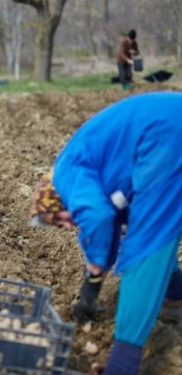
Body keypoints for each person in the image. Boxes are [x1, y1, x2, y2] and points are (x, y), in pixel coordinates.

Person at [30, 91, 182, 375]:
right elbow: (109, 221)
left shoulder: (65, 175)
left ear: (57, 199)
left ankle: (121, 367)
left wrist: (96, 264)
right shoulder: (78, 170)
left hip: (166, 136)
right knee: (157, 224)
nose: (65, 225)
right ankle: (176, 296)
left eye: (58, 218)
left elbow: (99, 217)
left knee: (147, 243)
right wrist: (92, 283)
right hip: (166, 129)